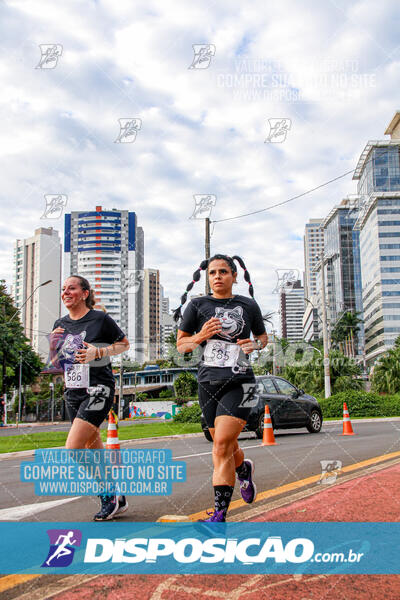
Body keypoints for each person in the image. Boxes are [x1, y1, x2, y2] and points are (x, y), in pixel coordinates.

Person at [175, 254, 268, 522]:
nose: (218, 276)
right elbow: (183, 346)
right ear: (208, 277)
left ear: (234, 276)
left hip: (242, 382)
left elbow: (262, 337)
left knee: (221, 447)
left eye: (224, 272)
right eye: (213, 272)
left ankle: (219, 515)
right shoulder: (197, 305)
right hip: (208, 383)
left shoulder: (248, 305)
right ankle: (243, 471)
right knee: (224, 444)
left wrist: (256, 345)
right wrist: (202, 335)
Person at [50, 275, 130, 521]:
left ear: (84, 293)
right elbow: (57, 363)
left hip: (99, 388)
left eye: (71, 288)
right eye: (63, 289)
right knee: (91, 448)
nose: (66, 292)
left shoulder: (100, 319)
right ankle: (118, 497)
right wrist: (54, 346)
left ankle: (108, 496)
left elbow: (124, 344)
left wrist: (99, 351)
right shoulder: (60, 323)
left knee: (73, 448)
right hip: (73, 390)